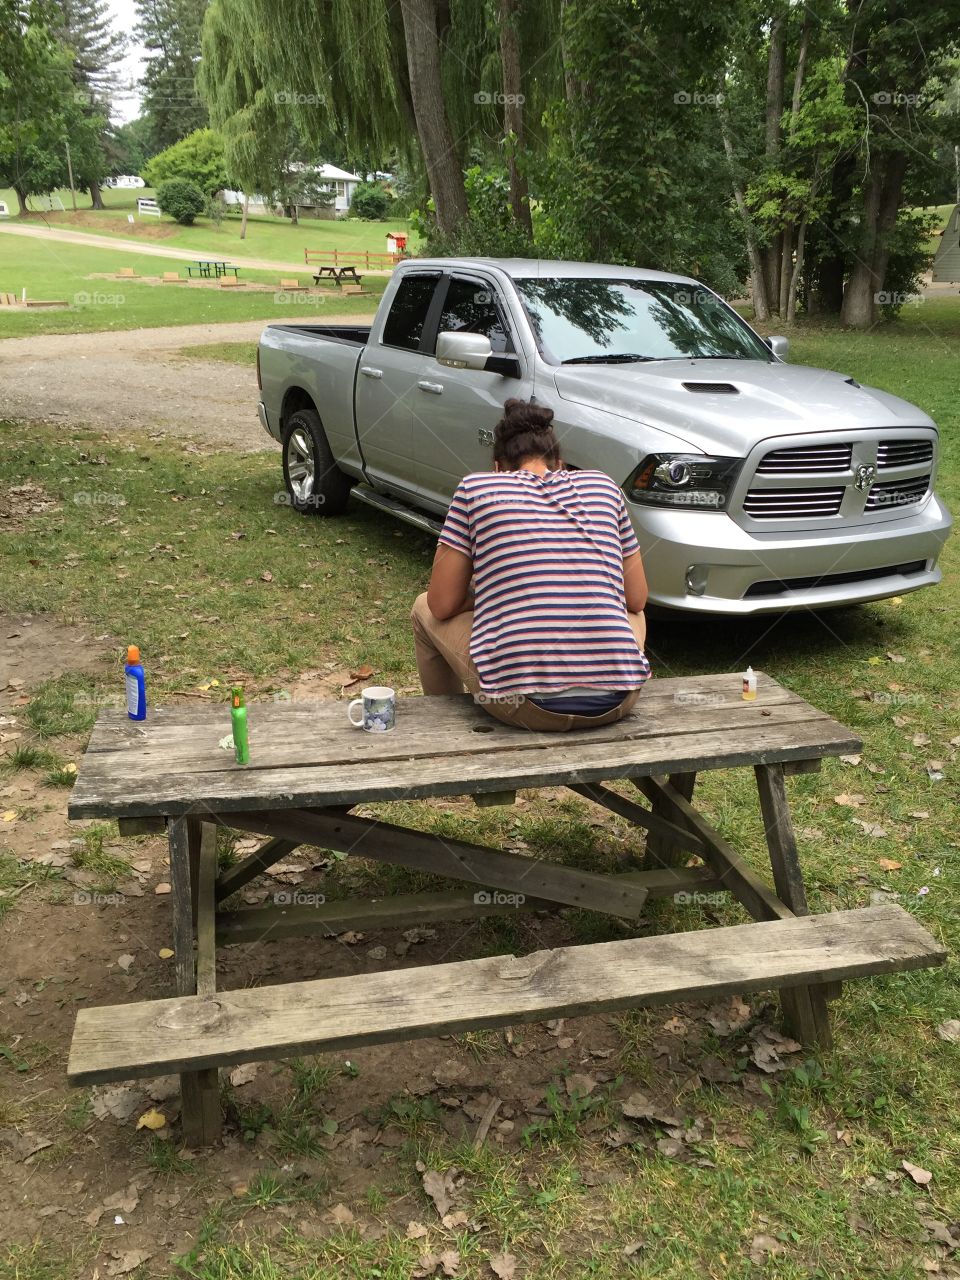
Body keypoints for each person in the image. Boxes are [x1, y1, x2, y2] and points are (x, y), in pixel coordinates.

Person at [411, 398, 651, 731]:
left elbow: (441, 603)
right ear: (561, 464)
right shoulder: (604, 488)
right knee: (632, 610)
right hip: (617, 702)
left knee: (422, 609)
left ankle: (442, 728)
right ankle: (608, 667)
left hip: (525, 707)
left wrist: (489, 597)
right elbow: (637, 599)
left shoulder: (477, 489)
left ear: (498, 468)